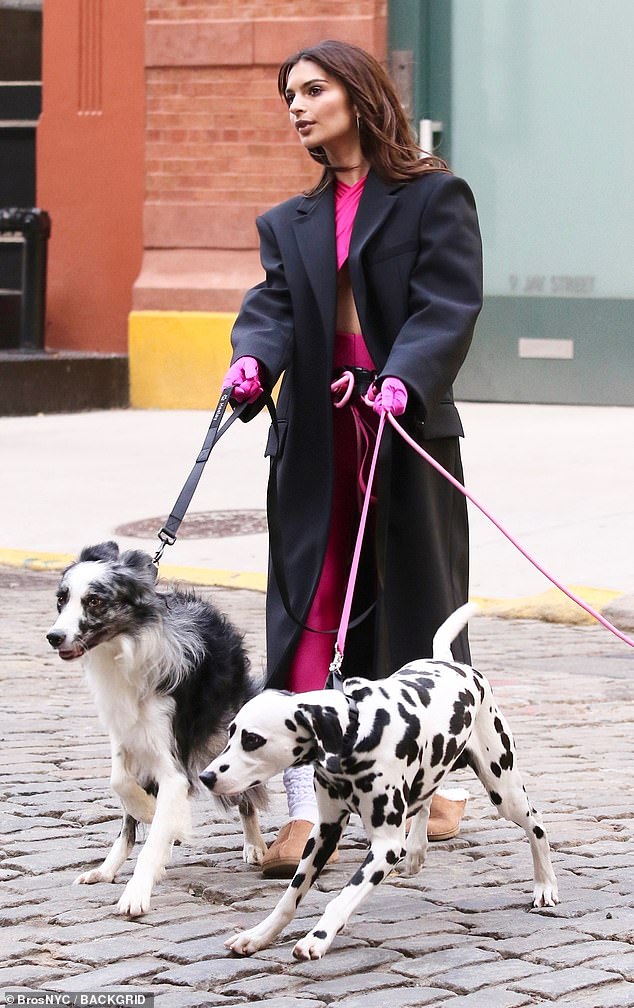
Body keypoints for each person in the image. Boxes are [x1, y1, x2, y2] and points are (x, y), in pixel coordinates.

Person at [220, 39, 483, 877]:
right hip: (316, 433)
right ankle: (305, 808)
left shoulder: (432, 197)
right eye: (288, 95)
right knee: (309, 600)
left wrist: (402, 379)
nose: (297, 106)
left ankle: (438, 782)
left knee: (417, 599)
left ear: (359, 93)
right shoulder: (288, 221)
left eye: (313, 89)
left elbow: (447, 303)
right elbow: (270, 308)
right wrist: (252, 363)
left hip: (401, 425)